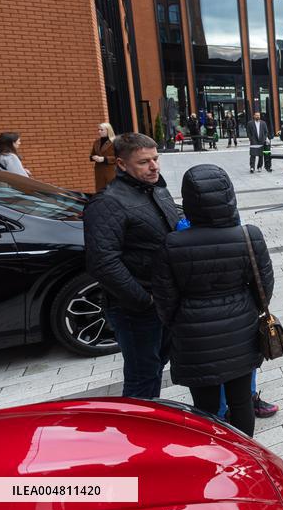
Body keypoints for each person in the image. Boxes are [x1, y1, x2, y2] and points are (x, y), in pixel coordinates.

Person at [151, 164, 273, 437]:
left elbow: (164, 298)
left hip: (194, 337)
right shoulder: (248, 236)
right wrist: (245, 311)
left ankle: (214, 453)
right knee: (241, 401)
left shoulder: (172, 244)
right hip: (240, 333)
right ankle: (244, 454)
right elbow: (264, 286)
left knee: (204, 408)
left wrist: (180, 321)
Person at [83, 133, 181, 398]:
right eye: (144, 162)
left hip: (164, 302)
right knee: (142, 377)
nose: (154, 166)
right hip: (137, 309)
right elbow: (102, 262)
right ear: (122, 164)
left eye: (156, 158)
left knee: (156, 366)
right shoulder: (108, 203)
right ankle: (138, 433)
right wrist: (145, 300)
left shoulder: (157, 189)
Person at [90, 122, 117, 191]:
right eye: (98, 129)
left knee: (112, 190)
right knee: (100, 191)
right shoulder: (96, 142)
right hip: (99, 170)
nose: (99, 131)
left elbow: (119, 157)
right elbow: (92, 154)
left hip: (111, 170)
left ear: (108, 130)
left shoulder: (115, 141)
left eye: (102, 130)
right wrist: (93, 157)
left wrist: (104, 159)